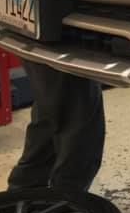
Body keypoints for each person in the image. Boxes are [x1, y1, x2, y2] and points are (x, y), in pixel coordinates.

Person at [7, 61, 105, 195]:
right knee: (77, 120)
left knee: (50, 113)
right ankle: (66, 202)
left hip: (38, 47)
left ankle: (22, 195)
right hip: (66, 50)